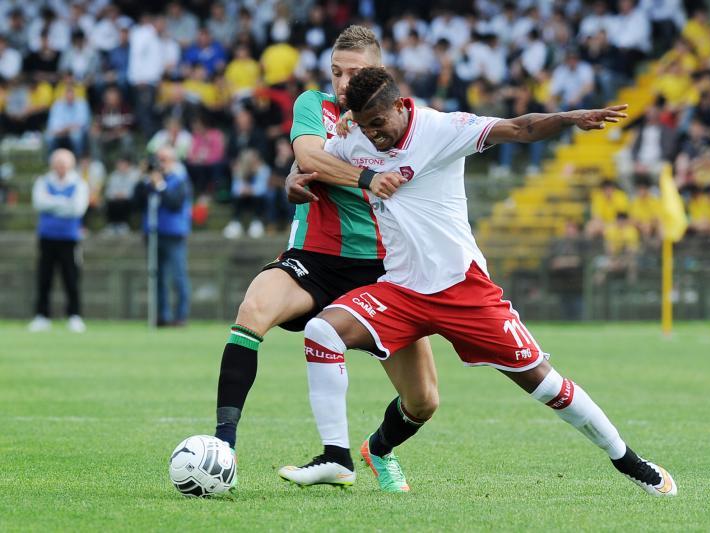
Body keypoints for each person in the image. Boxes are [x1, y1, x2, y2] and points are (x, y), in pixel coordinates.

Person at [292, 67, 676, 497]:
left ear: (402, 106)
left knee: (545, 384)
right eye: (363, 126)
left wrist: (569, 119)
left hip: (464, 290)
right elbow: (312, 166)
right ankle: (337, 458)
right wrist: (294, 179)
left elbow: (520, 128)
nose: (372, 135)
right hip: (400, 289)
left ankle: (629, 460)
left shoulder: (442, 128)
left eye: (378, 123)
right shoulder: (352, 138)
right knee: (322, 330)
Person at [212, 26, 439, 489]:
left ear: (379, 73)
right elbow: (309, 153)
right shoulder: (313, 105)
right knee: (253, 309)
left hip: (383, 269)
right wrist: (323, 174)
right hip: (313, 259)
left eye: (354, 73)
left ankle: (377, 450)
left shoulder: (400, 121)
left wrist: (310, 172)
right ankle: (222, 448)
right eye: (336, 71)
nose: (341, 82)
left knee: (424, 401)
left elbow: (324, 165)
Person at [28, 149, 89, 333]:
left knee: (71, 278)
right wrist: (64, 202)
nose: (61, 167)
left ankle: (74, 315)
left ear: (70, 165)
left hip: (69, 238)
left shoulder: (78, 183)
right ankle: (42, 316)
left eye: (64, 163)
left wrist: (53, 203)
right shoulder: (43, 181)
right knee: (44, 278)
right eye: (58, 163)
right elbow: (39, 203)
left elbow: (77, 208)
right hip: (47, 237)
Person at [135, 146, 192, 327]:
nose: (161, 164)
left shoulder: (179, 180)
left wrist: (159, 184)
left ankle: (180, 316)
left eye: (165, 159)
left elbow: (174, 202)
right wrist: (143, 178)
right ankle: (162, 315)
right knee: (157, 277)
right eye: (159, 159)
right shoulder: (148, 181)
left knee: (178, 276)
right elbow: (136, 200)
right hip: (153, 233)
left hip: (174, 234)